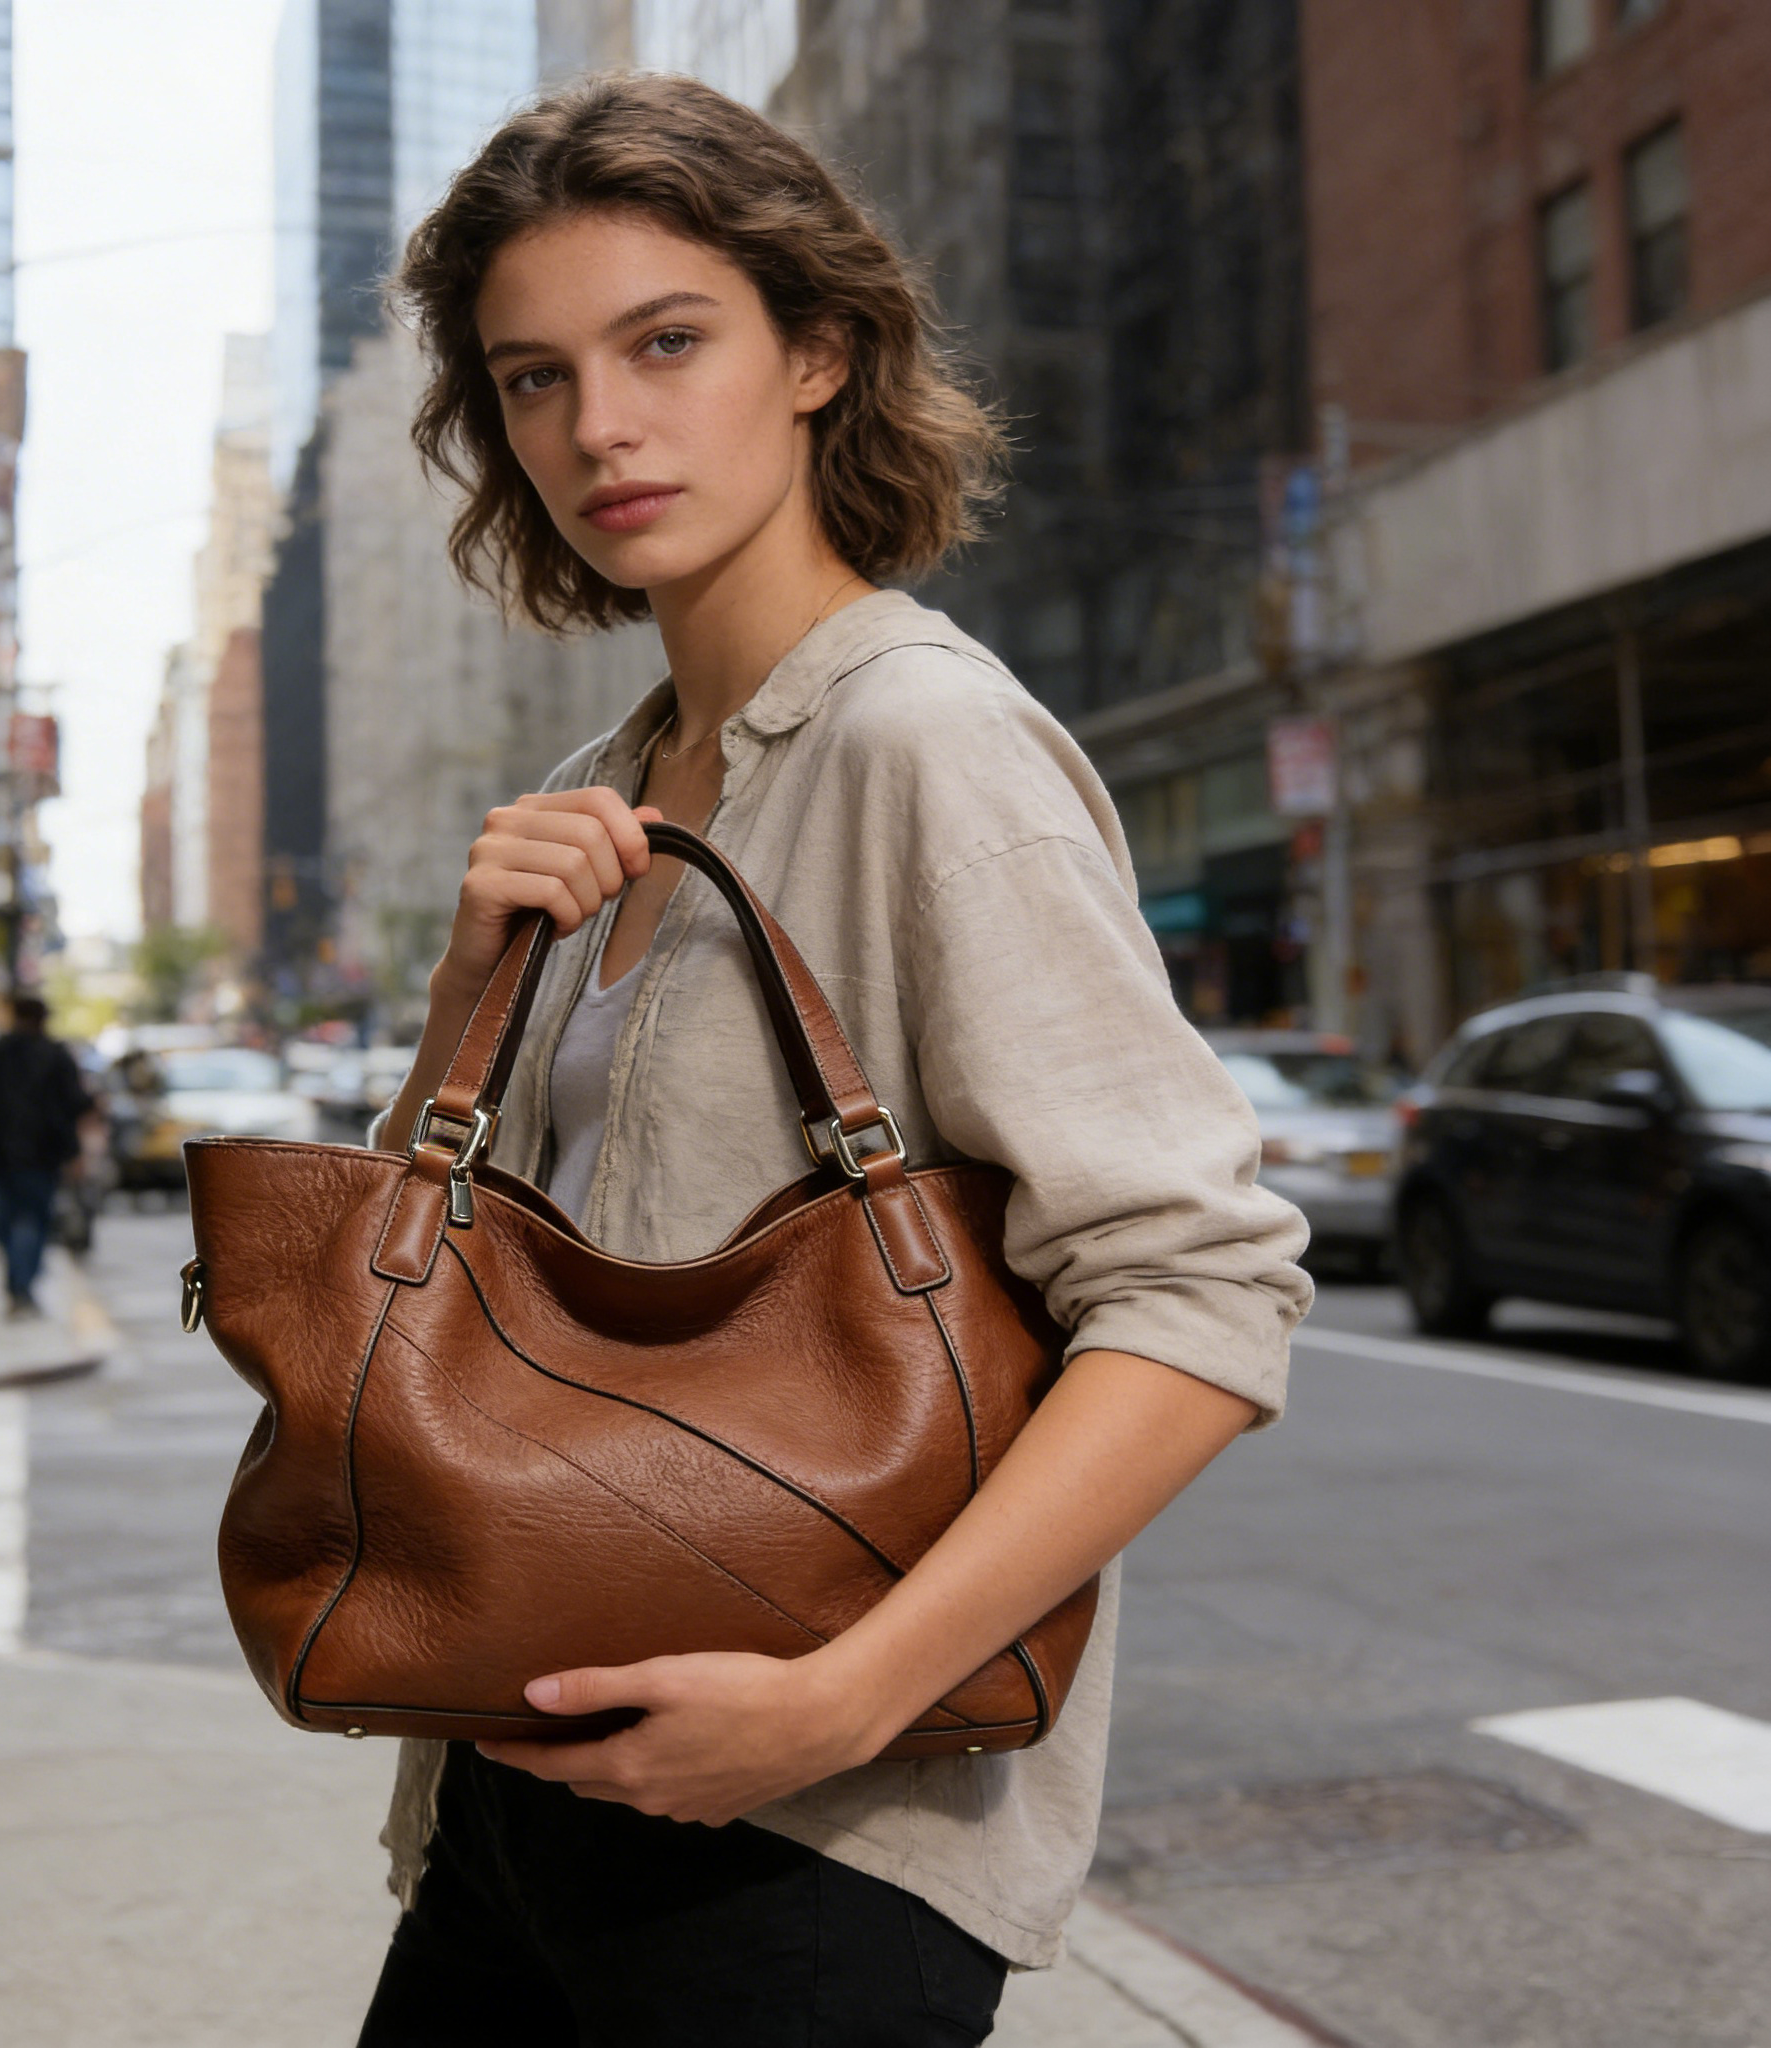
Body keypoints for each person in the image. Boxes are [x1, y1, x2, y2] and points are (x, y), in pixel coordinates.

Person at [358, 73, 1313, 2045]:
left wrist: (846, 1693)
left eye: (666, 342)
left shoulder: (921, 746)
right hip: (515, 1790)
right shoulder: (590, 794)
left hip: (810, 1846)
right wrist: (470, 994)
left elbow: (1202, 1289)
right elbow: (421, 1294)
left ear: (817, 353)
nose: (598, 426)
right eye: (532, 379)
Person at [0, 993, 95, 1316]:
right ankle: (22, 1286)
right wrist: (74, 1155)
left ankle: (19, 1286)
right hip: (39, 1157)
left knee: (5, 1223)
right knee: (30, 1222)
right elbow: (75, 1107)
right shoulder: (56, 1057)